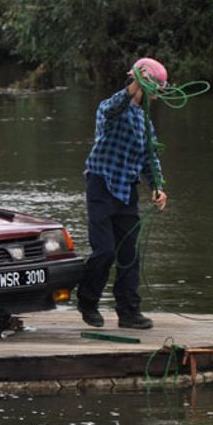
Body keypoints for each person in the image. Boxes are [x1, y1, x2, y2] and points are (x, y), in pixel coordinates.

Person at [77, 57, 170, 330]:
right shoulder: (111, 108)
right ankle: (87, 301)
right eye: (155, 88)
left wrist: (157, 186)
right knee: (104, 251)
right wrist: (134, 87)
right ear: (141, 83)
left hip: (126, 191)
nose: (158, 94)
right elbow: (110, 109)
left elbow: (149, 158)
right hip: (101, 184)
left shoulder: (145, 121)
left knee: (129, 255)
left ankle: (129, 312)